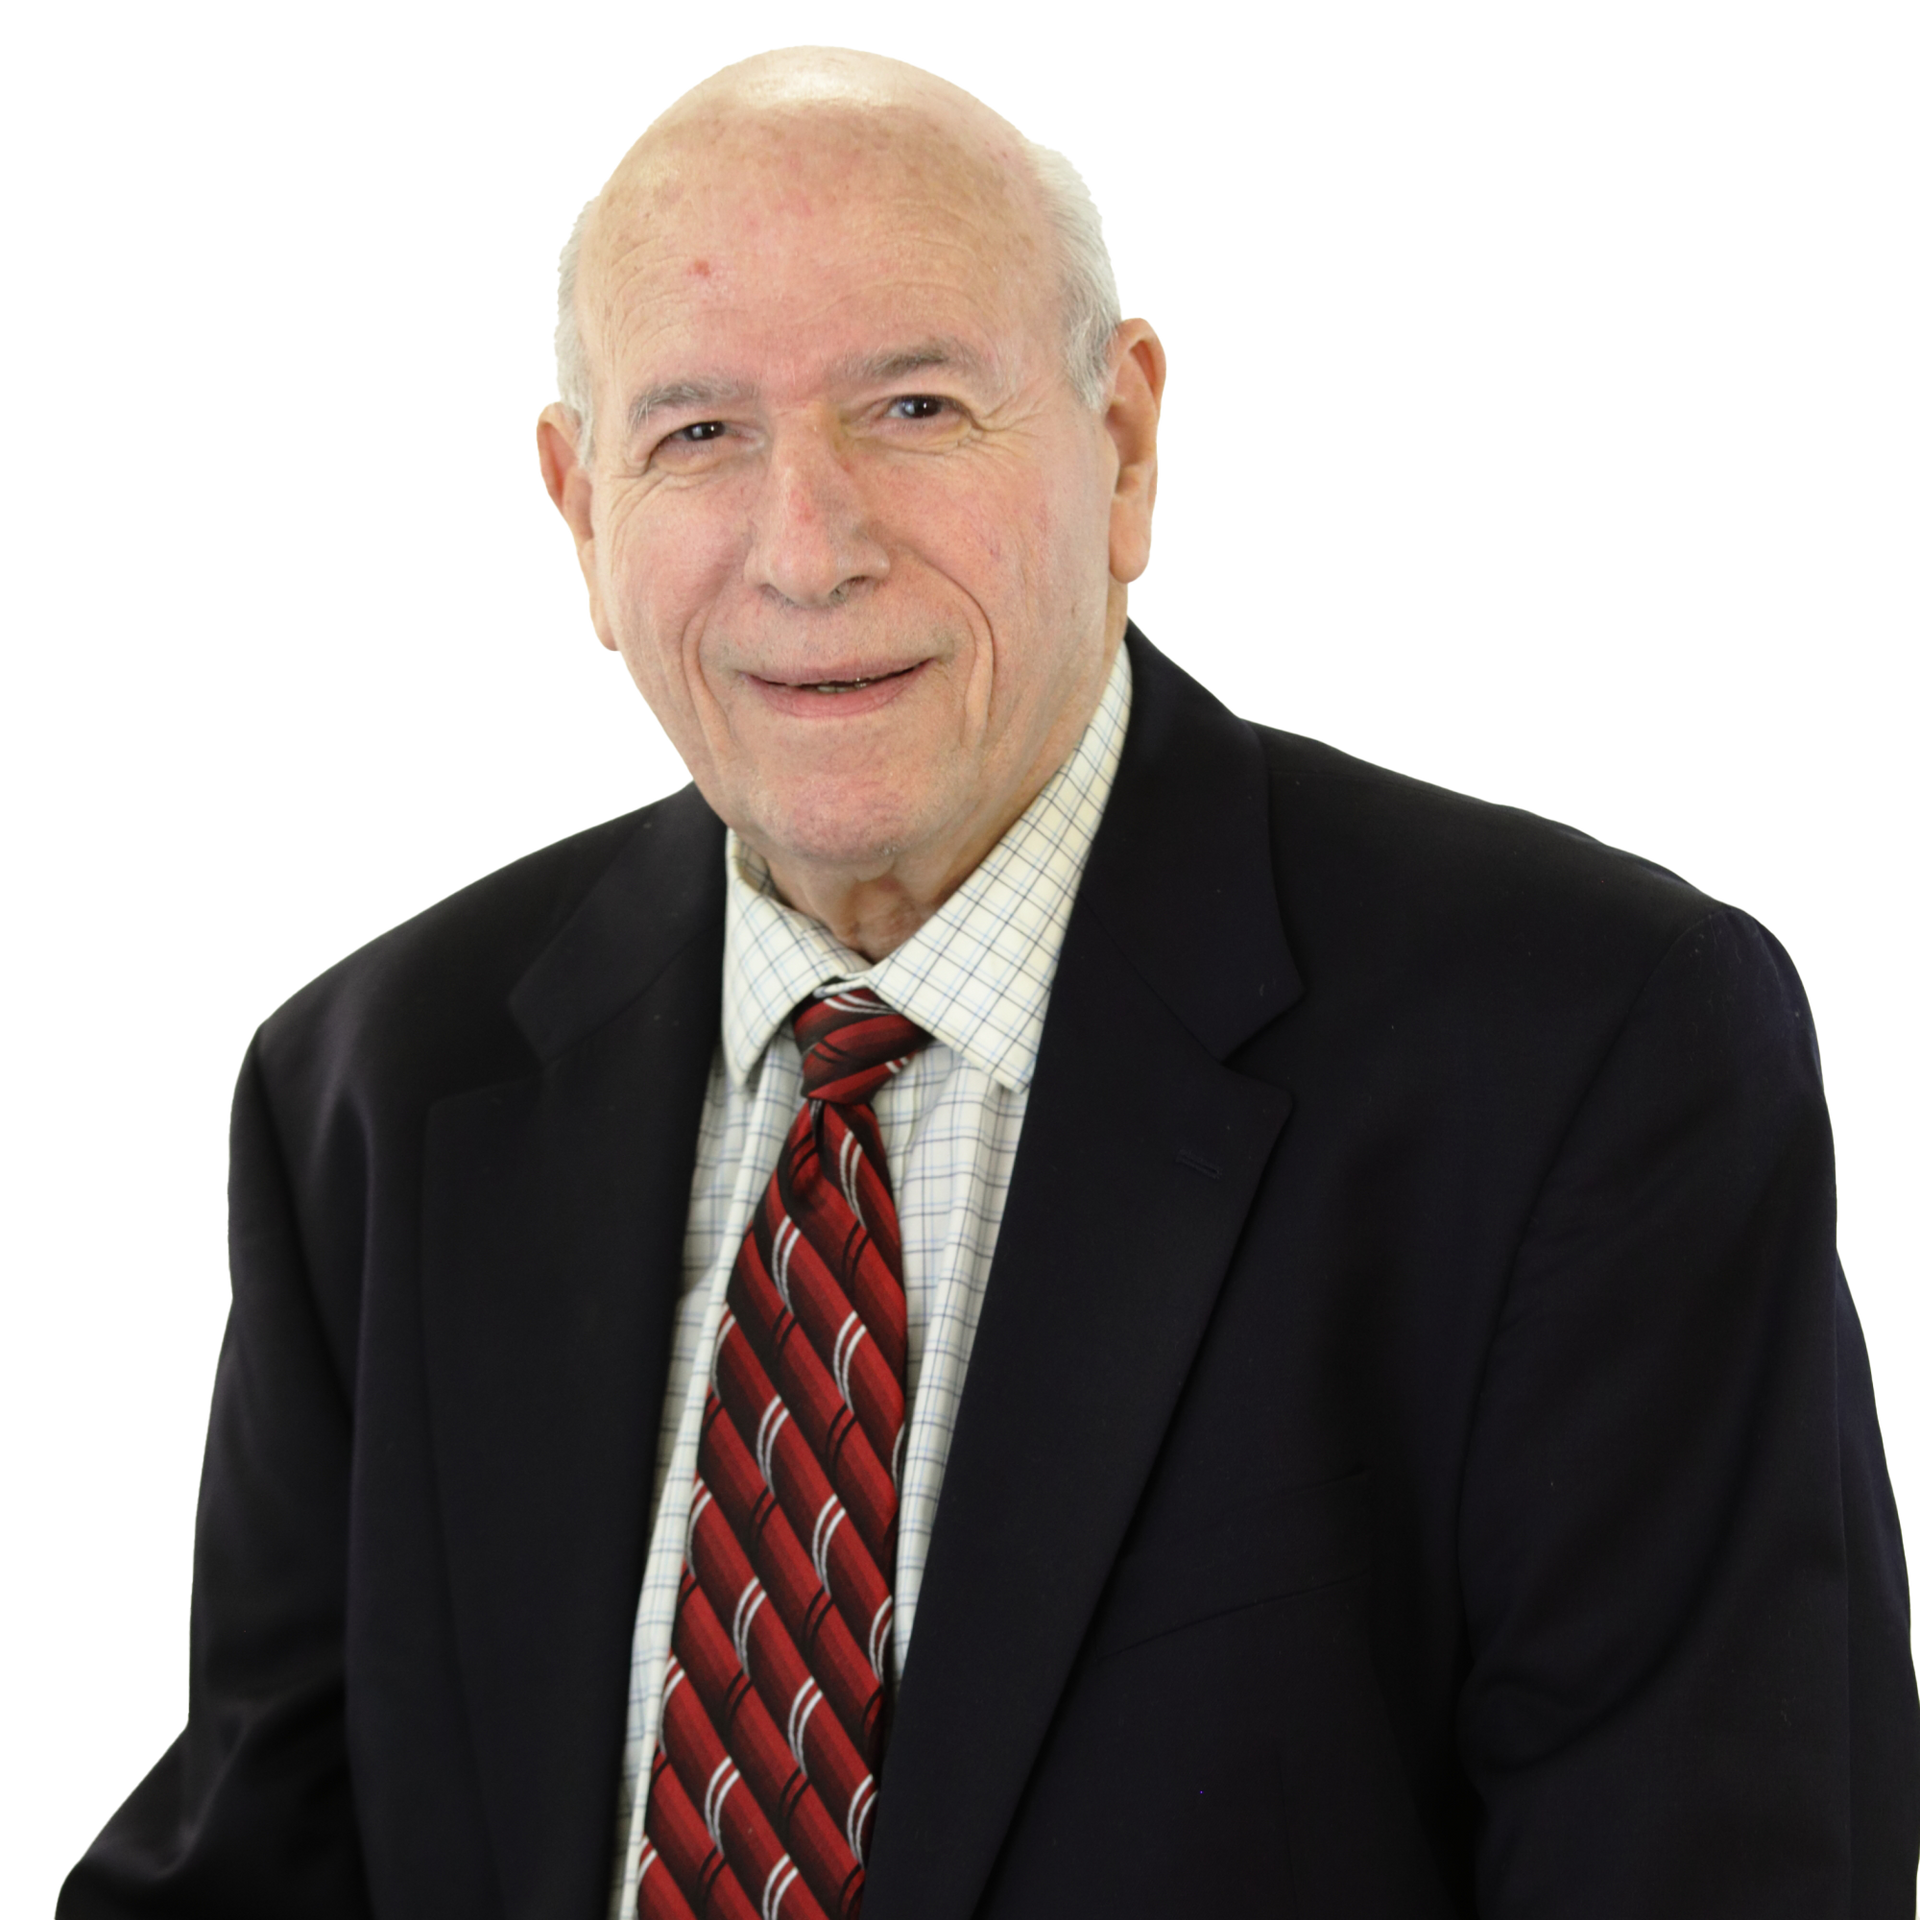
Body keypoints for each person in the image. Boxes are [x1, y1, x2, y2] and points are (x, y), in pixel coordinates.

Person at [58, 43, 1917, 1920]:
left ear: (1126, 441)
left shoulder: (1590, 1049)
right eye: (698, 434)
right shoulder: (376, 1085)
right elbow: (252, 1869)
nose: (809, 549)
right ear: (580, 509)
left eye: (915, 405)